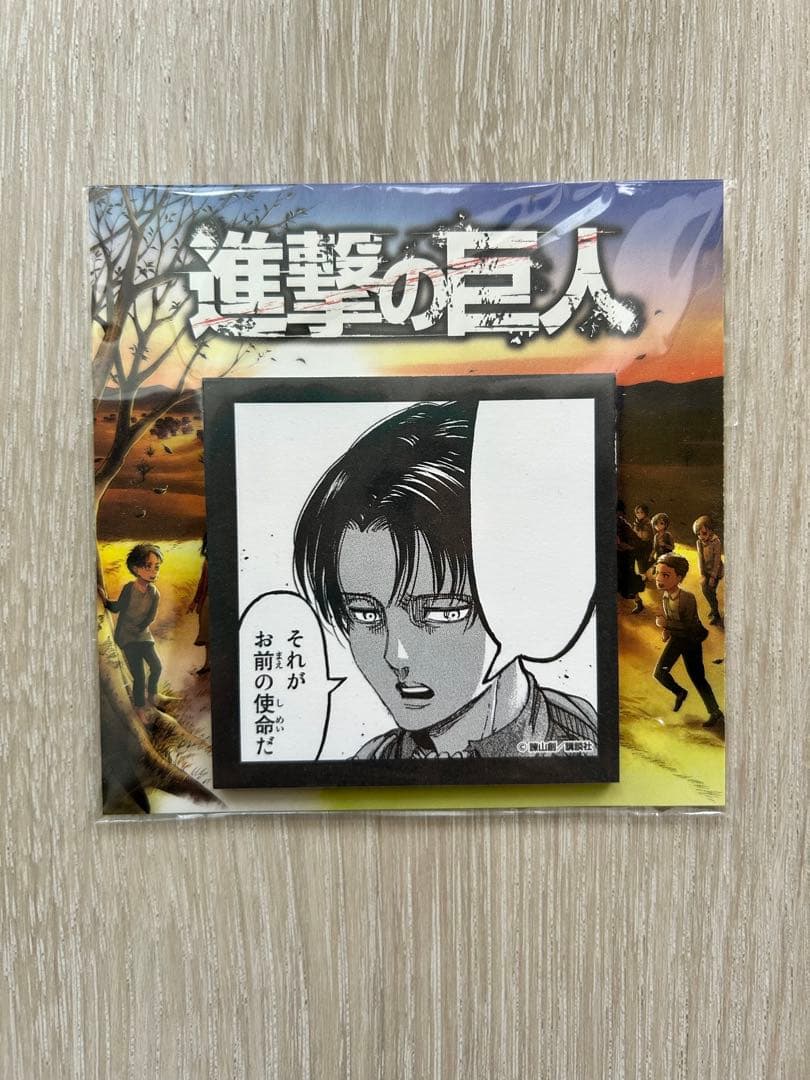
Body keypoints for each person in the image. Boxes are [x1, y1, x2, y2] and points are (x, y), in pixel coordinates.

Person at [293, 401, 598, 759]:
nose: (396, 656)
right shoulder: (372, 760)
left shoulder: (583, 744)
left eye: (441, 612)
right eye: (365, 614)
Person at [652, 553, 724, 730]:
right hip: (677, 638)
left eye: (665, 575)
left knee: (697, 678)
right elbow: (673, 620)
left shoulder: (687, 598)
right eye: (657, 573)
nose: (659, 578)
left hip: (691, 641)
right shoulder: (666, 596)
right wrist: (666, 631)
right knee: (659, 673)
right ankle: (680, 692)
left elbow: (688, 626)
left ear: (679, 578)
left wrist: (666, 624)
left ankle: (715, 712)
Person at [98, 544, 164, 721]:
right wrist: (105, 600)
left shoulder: (154, 593)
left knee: (157, 666)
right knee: (139, 675)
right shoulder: (130, 588)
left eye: (156, 567)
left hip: (143, 636)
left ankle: (153, 694)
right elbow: (117, 607)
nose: (153, 571)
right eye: (148, 566)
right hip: (128, 638)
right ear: (136, 569)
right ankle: (139, 707)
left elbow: (151, 616)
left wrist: (141, 627)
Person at [693, 515, 724, 625]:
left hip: (716, 571)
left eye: (704, 533)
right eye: (698, 534)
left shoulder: (716, 542)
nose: (701, 536)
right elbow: (700, 559)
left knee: (710, 591)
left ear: (710, 530)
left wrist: (713, 577)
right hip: (706, 571)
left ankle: (716, 614)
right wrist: (702, 574)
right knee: (705, 590)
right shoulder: (699, 542)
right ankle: (713, 608)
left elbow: (717, 561)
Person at [617, 501, 644, 613]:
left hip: (626, 555)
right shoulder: (613, 523)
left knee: (629, 578)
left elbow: (635, 540)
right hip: (618, 555)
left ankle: (638, 602)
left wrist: (625, 546)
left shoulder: (622, 524)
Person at [188, 534, 210, 673]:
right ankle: (208, 664)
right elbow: (202, 584)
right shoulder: (207, 562)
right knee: (207, 635)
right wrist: (195, 602)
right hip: (207, 600)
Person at [632, 504, 654, 576]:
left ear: (645, 513)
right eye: (637, 512)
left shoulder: (648, 523)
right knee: (640, 564)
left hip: (646, 545)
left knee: (643, 564)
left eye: (641, 512)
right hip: (638, 545)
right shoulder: (636, 523)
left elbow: (647, 536)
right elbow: (634, 533)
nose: (639, 514)